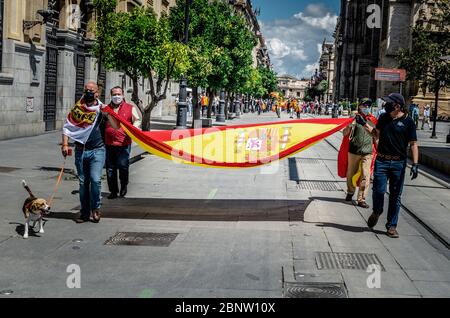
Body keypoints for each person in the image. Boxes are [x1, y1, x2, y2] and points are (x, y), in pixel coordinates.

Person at [358, 93, 419, 238]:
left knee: (395, 196)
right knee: (378, 190)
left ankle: (392, 226)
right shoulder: (384, 118)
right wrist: (364, 124)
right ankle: (377, 211)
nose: (386, 105)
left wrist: (415, 164)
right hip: (382, 161)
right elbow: (376, 134)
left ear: (397, 106)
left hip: (399, 163)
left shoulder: (408, 122)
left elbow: (413, 144)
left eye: (389, 103)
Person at [61, 81, 119, 223]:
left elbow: (115, 126)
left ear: (97, 93)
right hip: (81, 150)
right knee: (83, 183)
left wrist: (108, 113)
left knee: (95, 180)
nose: (88, 92)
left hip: (98, 150)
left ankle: (96, 208)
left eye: (91, 90)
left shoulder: (101, 109)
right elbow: (68, 126)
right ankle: (84, 212)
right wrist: (65, 144)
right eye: (86, 90)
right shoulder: (78, 108)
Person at [103, 86, 142, 199]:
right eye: (114, 94)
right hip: (109, 143)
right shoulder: (106, 108)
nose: (117, 96)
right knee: (110, 168)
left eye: (119, 94)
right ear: (111, 95)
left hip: (124, 143)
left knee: (123, 166)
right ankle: (113, 191)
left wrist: (134, 129)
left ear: (123, 95)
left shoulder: (130, 108)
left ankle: (124, 186)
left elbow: (137, 120)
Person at [343, 98, 376, 208]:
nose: (366, 107)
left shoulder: (373, 119)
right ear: (360, 106)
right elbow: (344, 133)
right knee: (350, 173)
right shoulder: (353, 118)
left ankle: (361, 199)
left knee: (365, 176)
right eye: (364, 105)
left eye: (368, 105)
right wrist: (350, 124)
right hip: (354, 151)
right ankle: (350, 192)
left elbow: (376, 135)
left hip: (367, 152)